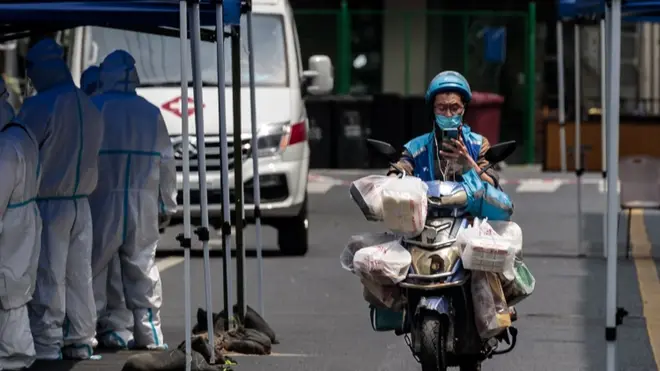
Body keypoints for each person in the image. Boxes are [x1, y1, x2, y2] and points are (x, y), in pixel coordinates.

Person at [21, 38, 103, 360]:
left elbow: (20, 151)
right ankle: (81, 339)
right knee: (79, 275)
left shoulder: (39, 106)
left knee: (48, 274)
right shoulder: (89, 105)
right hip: (81, 203)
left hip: (48, 203)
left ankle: (47, 343)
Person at [89, 49, 176, 350]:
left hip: (101, 199)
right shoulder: (150, 112)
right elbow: (167, 161)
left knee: (95, 267)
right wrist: (167, 202)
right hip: (143, 200)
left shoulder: (94, 107)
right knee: (142, 265)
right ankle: (150, 334)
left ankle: (88, 334)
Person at [80, 66, 135, 350]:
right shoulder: (136, 111)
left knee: (95, 266)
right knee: (116, 267)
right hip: (109, 200)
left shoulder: (91, 112)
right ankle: (117, 325)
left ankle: (95, 326)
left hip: (93, 202)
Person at [388, 70, 499, 186]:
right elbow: (401, 168)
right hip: (429, 203)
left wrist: (468, 165)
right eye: (441, 108)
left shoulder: (479, 144)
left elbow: (492, 185)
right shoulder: (416, 147)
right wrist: (392, 178)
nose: (448, 114)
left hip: (469, 204)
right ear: (433, 110)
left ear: (464, 109)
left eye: (455, 108)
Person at [0, 77, 41, 370]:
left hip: (12, 222)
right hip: (25, 217)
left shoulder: (5, 145)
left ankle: (15, 357)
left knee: (9, 288)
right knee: (16, 285)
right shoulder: (22, 132)